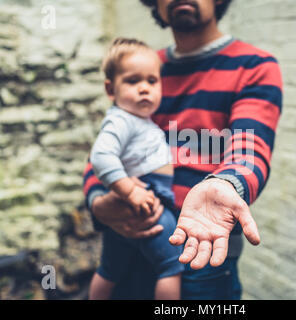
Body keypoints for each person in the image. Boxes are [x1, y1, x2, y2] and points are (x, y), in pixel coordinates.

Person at [83, 0, 283, 299]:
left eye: (152, 82)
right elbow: (105, 150)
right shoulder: (146, 65)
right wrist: (99, 202)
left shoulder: (253, 66)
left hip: (202, 248)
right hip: (131, 243)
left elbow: (250, 148)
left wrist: (223, 184)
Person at [88, 38, 183, 300]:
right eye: (133, 81)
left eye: (152, 81)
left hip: (134, 203)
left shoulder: (137, 120)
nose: (144, 89)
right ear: (111, 89)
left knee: (110, 270)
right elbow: (101, 156)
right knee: (171, 266)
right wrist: (130, 191)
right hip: (147, 201)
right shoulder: (121, 121)